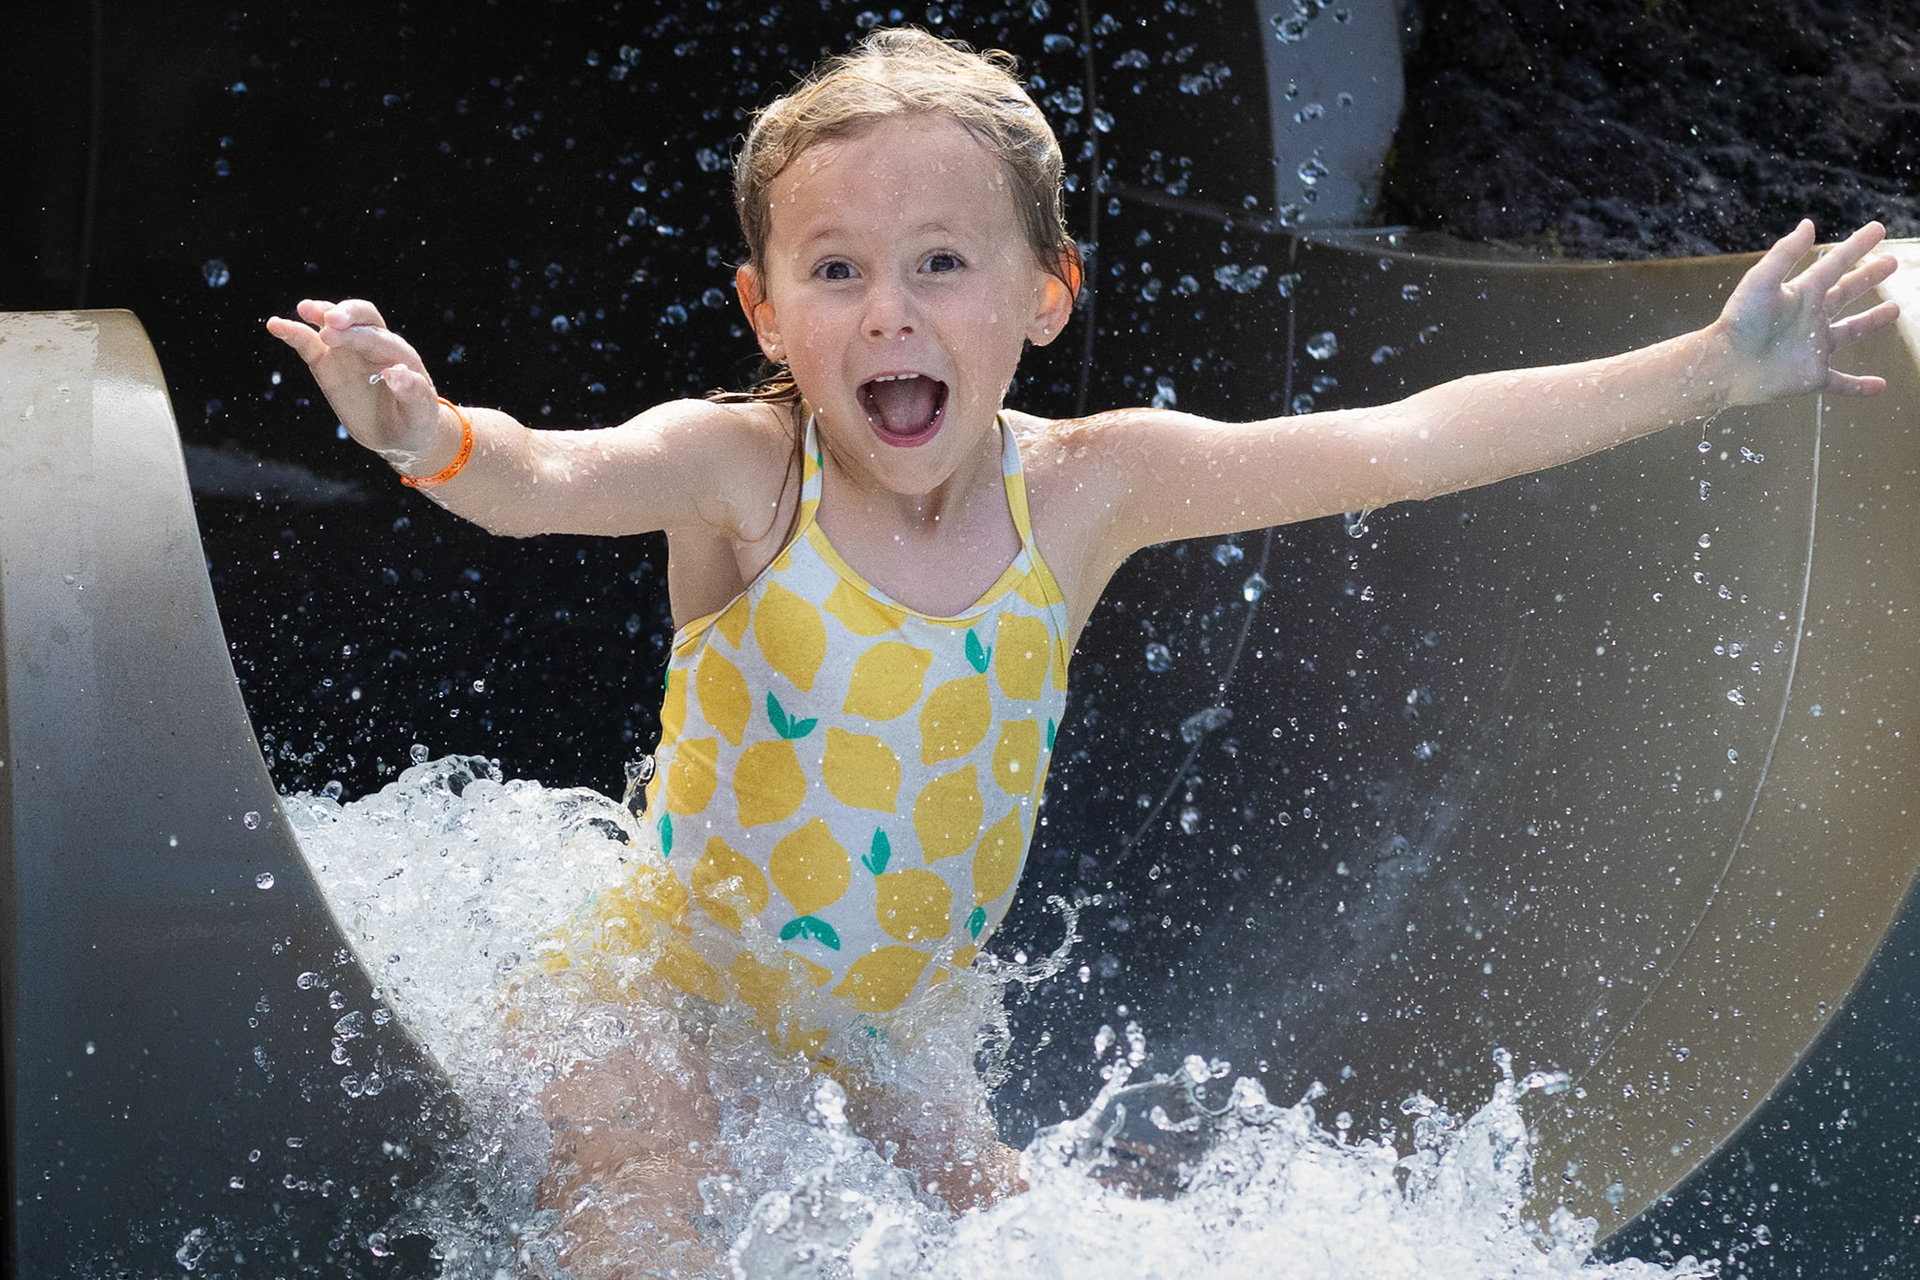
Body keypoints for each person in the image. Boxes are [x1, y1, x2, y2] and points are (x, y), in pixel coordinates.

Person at [265, 25, 1898, 1272]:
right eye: (834, 271)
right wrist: (424, 433)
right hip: (669, 983)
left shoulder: (1090, 490)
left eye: (940, 264)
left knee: (1026, 1238)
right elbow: (546, 478)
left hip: (886, 1021)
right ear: (765, 311)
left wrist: (1711, 369)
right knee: (647, 1202)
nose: (888, 312)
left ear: (1045, 295)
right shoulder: (743, 468)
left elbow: (1404, 440)